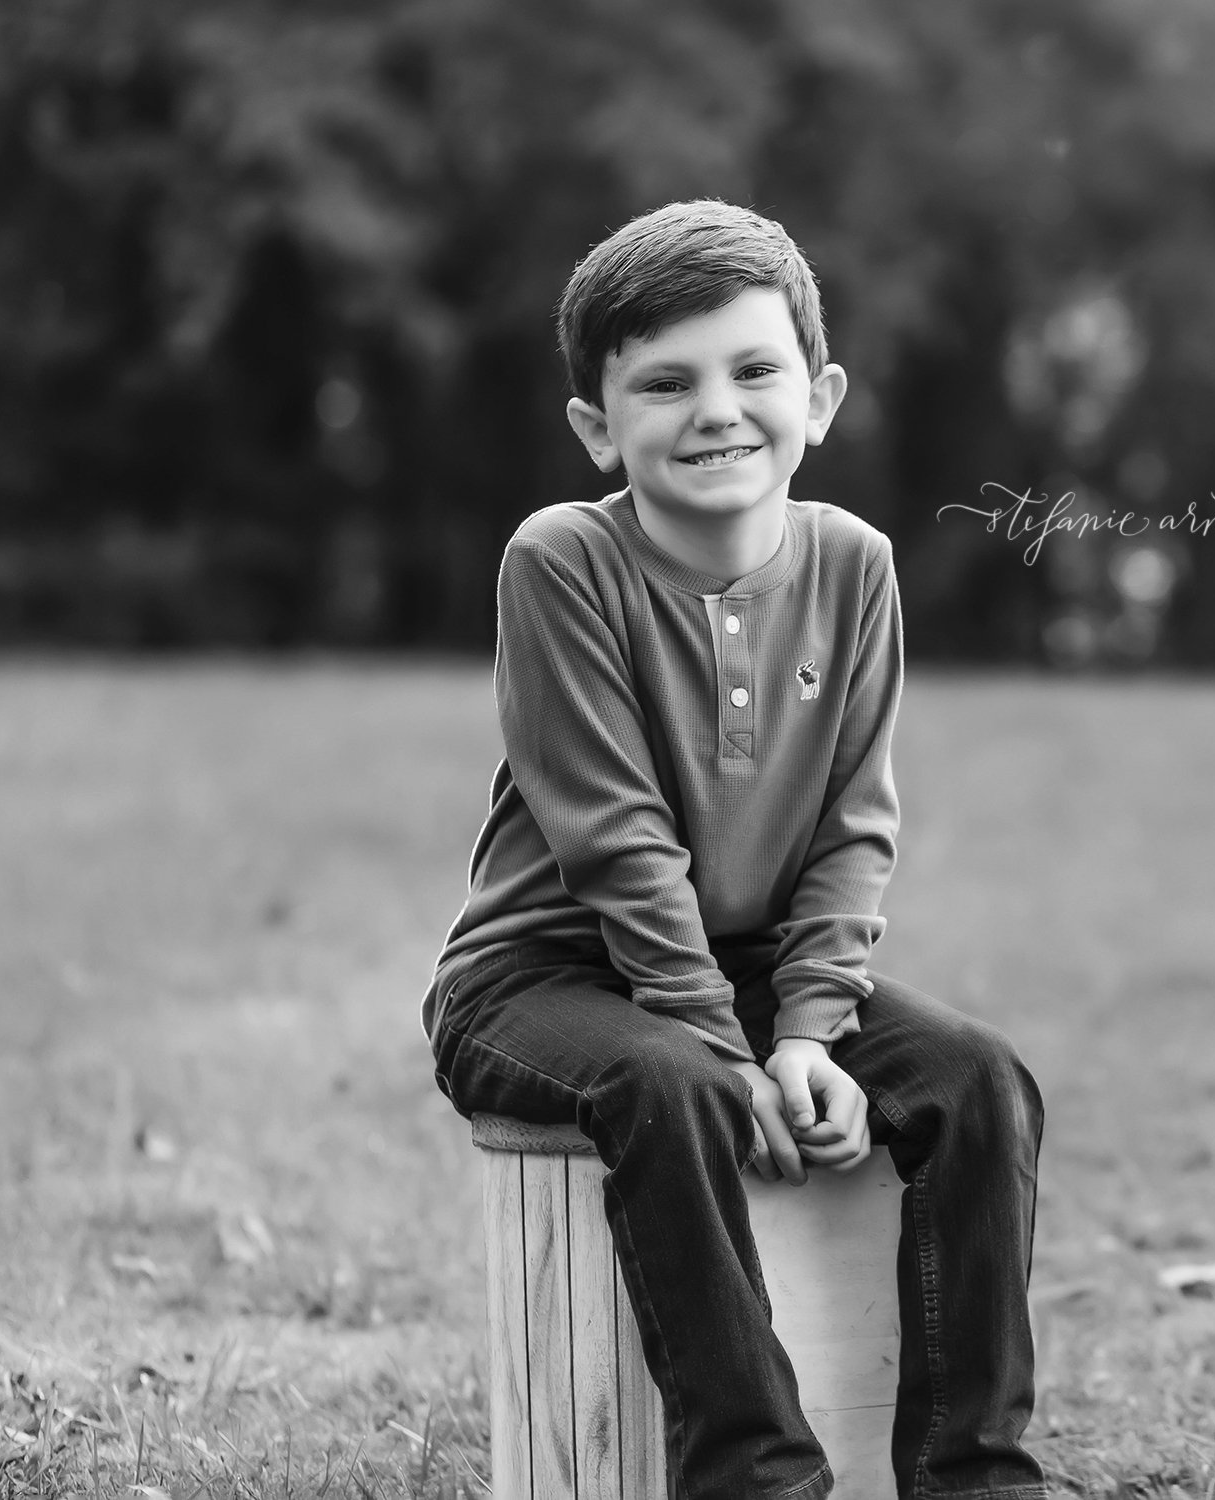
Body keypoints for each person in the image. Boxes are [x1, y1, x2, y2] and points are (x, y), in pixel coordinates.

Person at [423, 199, 1048, 1500]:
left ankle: (974, 1474)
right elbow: (616, 841)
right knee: (678, 1087)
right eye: (666, 382)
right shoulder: (562, 563)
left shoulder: (853, 565)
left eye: (753, 370)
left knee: (976, 1081)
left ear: (818, 396)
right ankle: (755, 1475)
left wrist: (809, 1032)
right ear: (601, 428)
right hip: (538, 982)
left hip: (755, 969)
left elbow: (852, 824)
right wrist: (729, 1050)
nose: (717, 408)